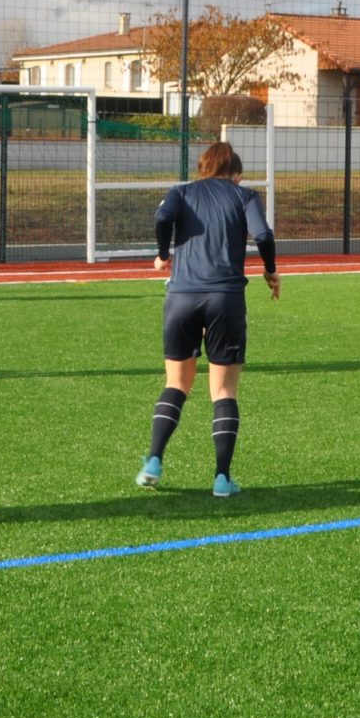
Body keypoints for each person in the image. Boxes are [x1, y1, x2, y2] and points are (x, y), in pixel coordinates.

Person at [138, 141, 278, 497]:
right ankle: (221, 479)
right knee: (223, 390)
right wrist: (271, 270)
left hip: (181, 296)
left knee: (177, 383)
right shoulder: (244, 196)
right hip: (225, 299)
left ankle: (154, 460)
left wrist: (162, 253)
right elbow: (262, 234)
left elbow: (161, 218)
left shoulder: (181, 192)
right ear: (236, 174)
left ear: (202, 169)